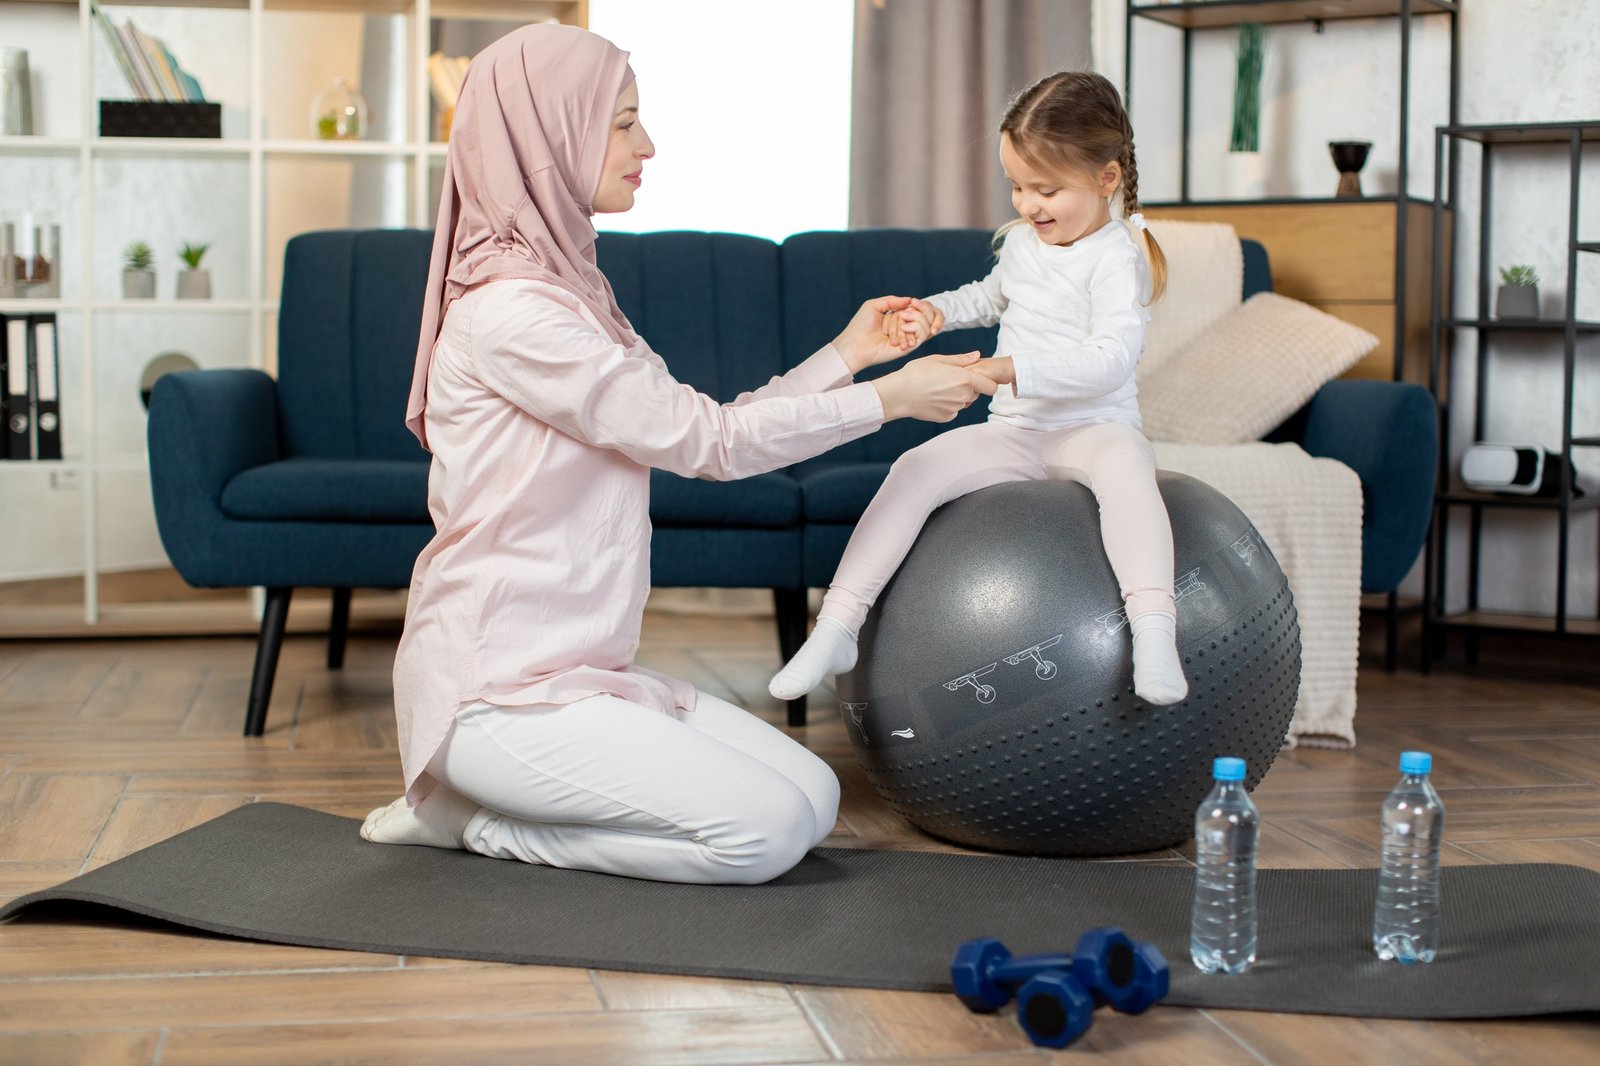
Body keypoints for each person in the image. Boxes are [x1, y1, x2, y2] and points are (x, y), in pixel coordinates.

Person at [358, 24, 996, 885]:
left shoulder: (572, 292)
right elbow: (713, 447)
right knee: (762, 835)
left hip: (581, 678)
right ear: (551, 131)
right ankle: (474, 826)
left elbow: (708, 422)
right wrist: (892, 400)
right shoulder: (516, 315)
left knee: (812, 797)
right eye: (623, 122)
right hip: (498, 696)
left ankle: (479, 810)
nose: (646, 145)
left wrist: (850, 355)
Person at [769, 71, 1188, 708]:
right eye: (1018, 187)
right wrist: (936, 311)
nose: (1029, 205)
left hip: (1095, 429)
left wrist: (1008, 369)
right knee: (913, 467)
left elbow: (1109, 361)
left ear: (1107, 178)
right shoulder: (1024, 245)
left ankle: (1156, 633)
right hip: (1016, 432)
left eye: (1047, 189)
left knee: (1132, 478)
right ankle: (838, 627)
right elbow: (991, 298)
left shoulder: (1115, 258)